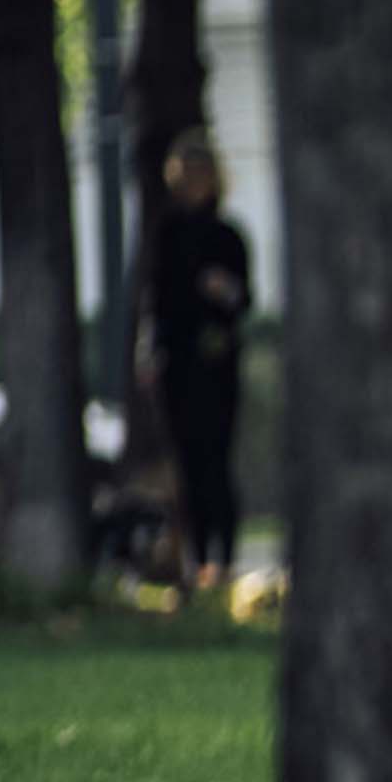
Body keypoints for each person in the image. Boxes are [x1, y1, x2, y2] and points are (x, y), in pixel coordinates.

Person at [148, 127, 253, 591]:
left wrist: (223, 291)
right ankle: (193, 562)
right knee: (186, 464)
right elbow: (156, 299)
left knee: (217, 461)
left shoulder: (228, 237)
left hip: (216, 363)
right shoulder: (167, 235)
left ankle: (223, 562)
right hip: (177, 363)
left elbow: (244, 300)